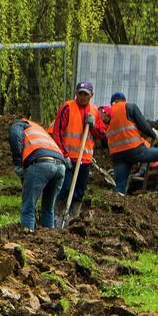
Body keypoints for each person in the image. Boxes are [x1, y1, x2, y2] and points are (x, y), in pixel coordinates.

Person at [99, 91, 158, 193]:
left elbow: (103, 142)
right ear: (124, 100)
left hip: (117, 156)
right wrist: (153, 134)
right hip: (135, 150)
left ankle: (116, 204)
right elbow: (144, 126)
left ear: (112, 103)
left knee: (119, 188)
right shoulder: (129, 107)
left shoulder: (107, 115)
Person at [50, 82, 100, 220]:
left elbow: (101, 134)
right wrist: (63, 154)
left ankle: (72, 216)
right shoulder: (67, 108)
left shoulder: (95, 111)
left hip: (85, 159)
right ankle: (57, 215)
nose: (83, 97)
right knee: (64, 188)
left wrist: (93, 126)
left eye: (86, 94)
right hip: (68, 158)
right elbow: (58, 132)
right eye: (80, 94)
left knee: (79, 191)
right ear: (76, 93)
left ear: (91, 95)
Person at [9, 119, 68, 232]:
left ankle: (28, 237)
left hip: (41, 164)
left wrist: (18, 164)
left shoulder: (18, 125)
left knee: (28, 208)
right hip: (60, 166)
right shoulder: (39, 130)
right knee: (48, 208)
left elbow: (15, 137)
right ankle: (48, 239)